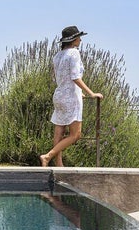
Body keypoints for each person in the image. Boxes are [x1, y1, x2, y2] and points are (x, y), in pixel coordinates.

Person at [40, 26, 103, 167]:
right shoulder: (74, 53)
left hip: (59, 95)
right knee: (76, 135)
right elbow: (75, 76)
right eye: (79, 37)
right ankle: (47, 156)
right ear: (74, 39)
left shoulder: (58, 56)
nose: (80, 40)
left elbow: (58, 78)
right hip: (71, 98)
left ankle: (59, 164)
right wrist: (91, 93)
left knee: (59, 131)